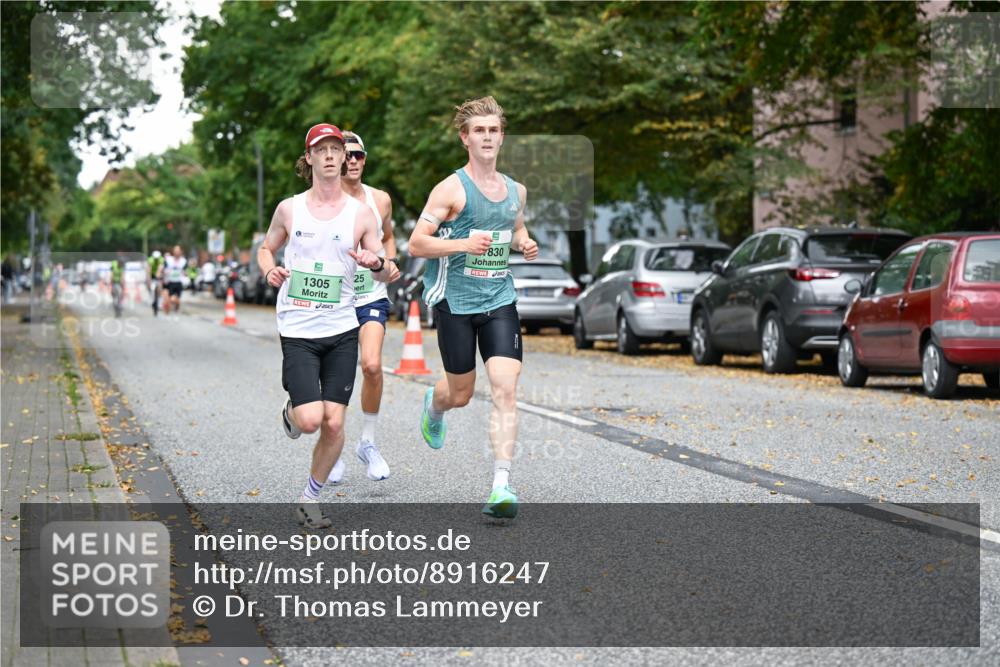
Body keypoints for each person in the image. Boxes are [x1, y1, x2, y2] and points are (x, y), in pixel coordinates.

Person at [258, 122, 399, 529]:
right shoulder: (290, 208)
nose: (332, 155)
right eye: (322, 149)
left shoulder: (361, 214)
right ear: (310, 158)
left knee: (334, 422)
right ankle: (292, 410)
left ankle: (309, 498)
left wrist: (377, 264)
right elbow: (266, 247)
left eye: (337, 148)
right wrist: (270, 270)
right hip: (299, 328)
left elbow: (386, 269)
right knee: (309, 421)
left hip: (341, 328)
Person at [407, 96, 538, 519]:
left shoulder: (516, 190)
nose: (487, 137)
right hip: (455, 302)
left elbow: (514, 226)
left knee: (505, 388)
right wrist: (463, 243)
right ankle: (435, 404)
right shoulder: (450, 189)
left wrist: (524, 242)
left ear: (502, 137)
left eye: (493, 130)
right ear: (466, 138)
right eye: (479, 131)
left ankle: (501, 485)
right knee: (460, 393)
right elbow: (416, 243)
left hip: (500, 299)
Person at [324, 131, 396, 485]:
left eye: (359, 155)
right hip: (334, 299)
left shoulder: (379, 199)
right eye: (346, 154)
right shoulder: (324, 202)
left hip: (371, 294)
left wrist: (389, 262)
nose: (352, 161)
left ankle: (367, 442)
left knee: (370, 365)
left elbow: (390, 236)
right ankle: (332, 447)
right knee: (334, 379)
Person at [162, 245, 186, 315]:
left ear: (181, 252)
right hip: (170, 282)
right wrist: (164, 274)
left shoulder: (183, 261)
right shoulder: (169, 260)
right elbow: (163, 269)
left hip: (179, 282)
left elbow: (186, 271)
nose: (177, 252)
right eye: (175, 251)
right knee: (171, 299)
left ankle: (177, 309)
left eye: (178, 251)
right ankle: (168, 309)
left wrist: (185, 273)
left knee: (177, 300)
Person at [148, 250, 164, 316]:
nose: (156, 259)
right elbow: (149, 269)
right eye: (155, 258)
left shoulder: (161, 259)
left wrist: (158, 274)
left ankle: (159, 303)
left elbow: (160, 267)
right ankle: (152, 300)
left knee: (160, 288)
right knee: (152, 289)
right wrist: (148, 279)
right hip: (152, 275)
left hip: (159, 275)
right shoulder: (150, 260)